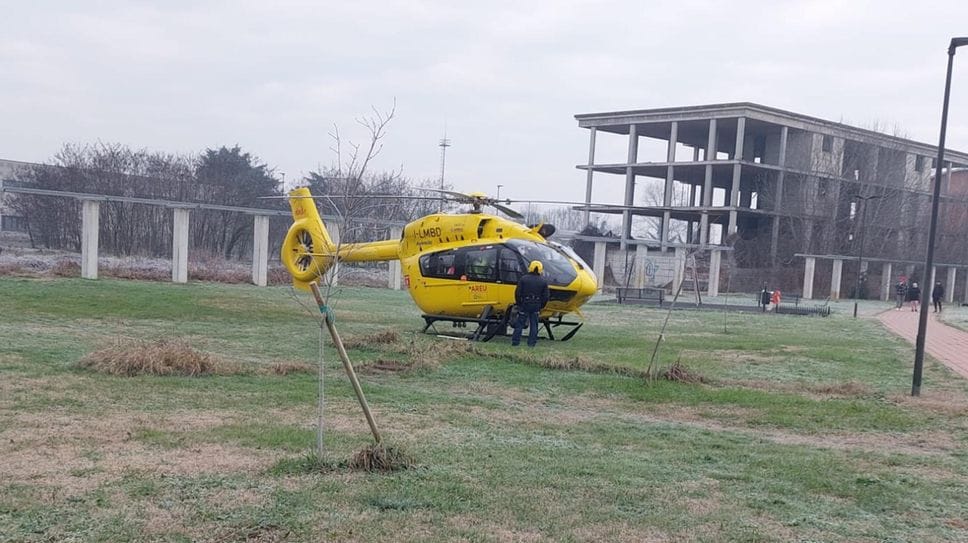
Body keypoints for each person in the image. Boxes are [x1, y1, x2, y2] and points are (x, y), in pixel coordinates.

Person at [511, 260, 550, 348]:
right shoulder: (543, 281)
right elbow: (546, 296)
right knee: (534, 325)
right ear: (541, 269)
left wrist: (519, 304)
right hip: (536, 305)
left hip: (525, 304)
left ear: (530, 267)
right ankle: (531, 344)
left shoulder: (523, 279)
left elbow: (517, 293)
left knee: (520, 324)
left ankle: (515, 342)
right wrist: (541, 306)